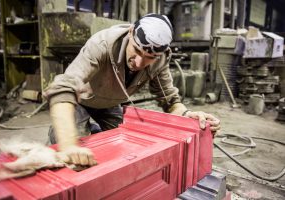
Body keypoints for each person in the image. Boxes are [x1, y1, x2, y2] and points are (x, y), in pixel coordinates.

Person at [44, 13, 220, 166]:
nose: (138, 63)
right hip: (81, 100)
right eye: (136, 50)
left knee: (123, 148)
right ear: (130, 33)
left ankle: (94, 131)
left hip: (111, 103)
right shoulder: (102, 44)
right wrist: (68, 144)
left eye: (149, 57)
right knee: (72, 150)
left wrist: (187, 115)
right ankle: (62, 138)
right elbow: (63, 89)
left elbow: (170, 101)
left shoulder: (160, 58)